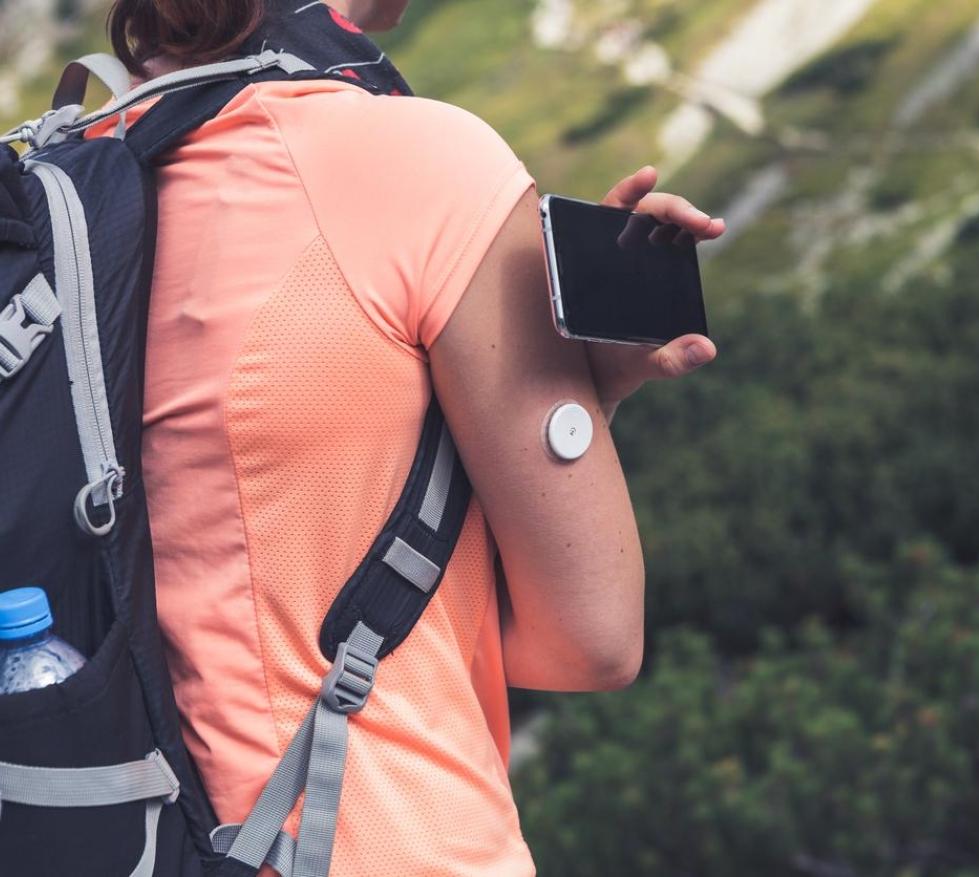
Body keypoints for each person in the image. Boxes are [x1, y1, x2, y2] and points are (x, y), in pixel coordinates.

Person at [102, 0, 723, 873]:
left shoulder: (79, 173)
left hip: (125, 834)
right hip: (379, 839)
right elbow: (591, 640)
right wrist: (583, 404)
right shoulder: (421, 161)